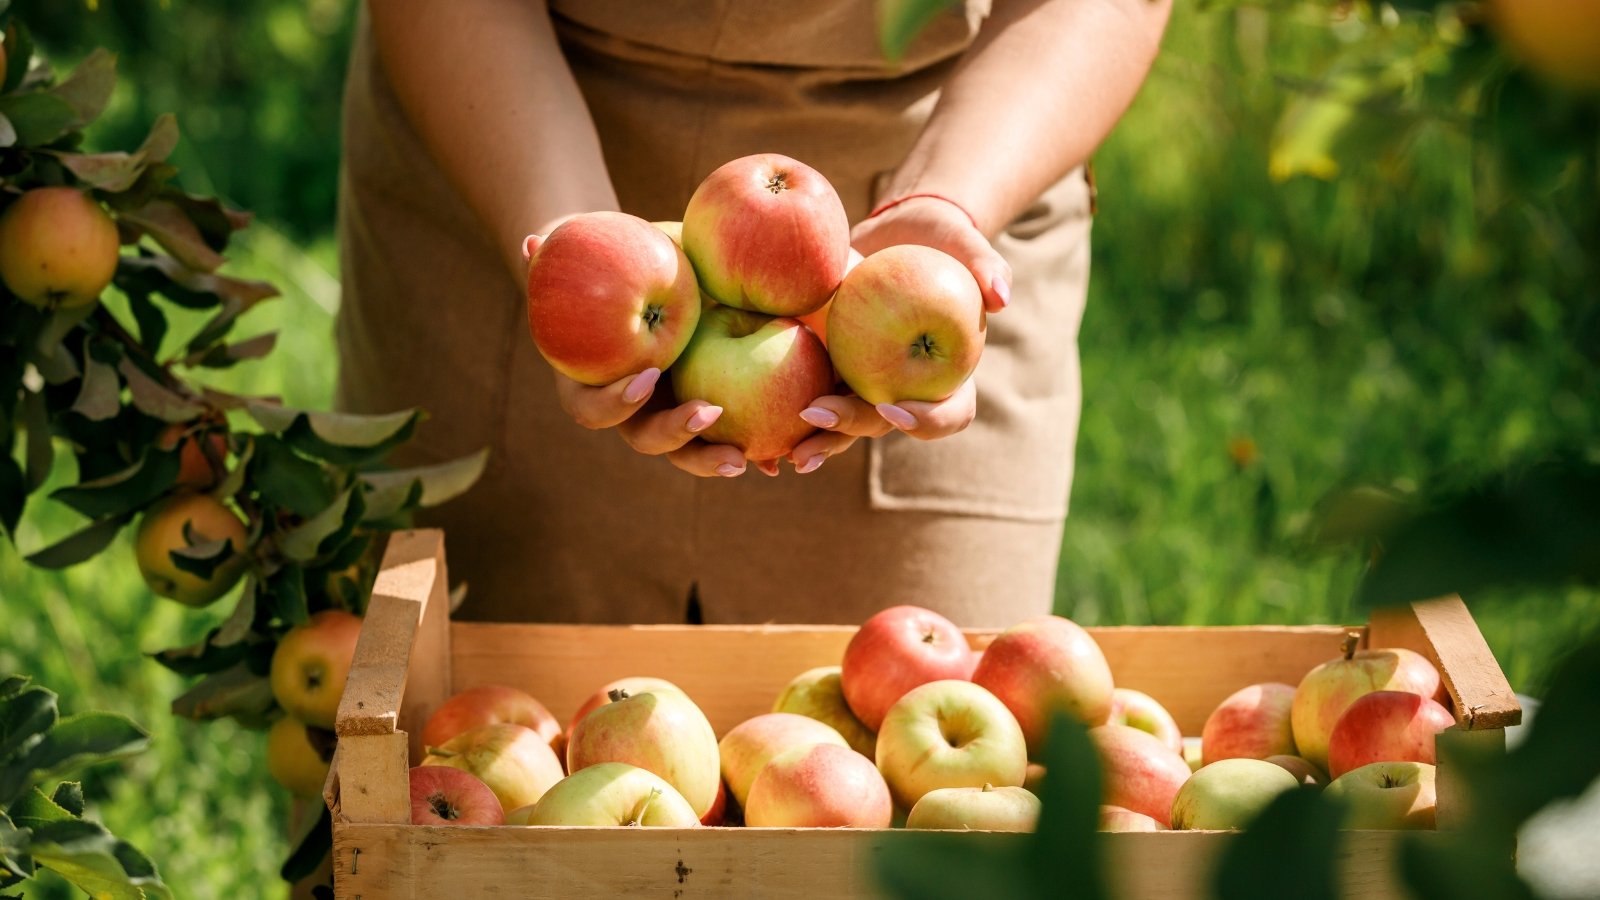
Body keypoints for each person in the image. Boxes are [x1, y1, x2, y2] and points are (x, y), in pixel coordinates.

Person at [335, 0, 1171, 626]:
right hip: (509, 131)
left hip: (963, 158)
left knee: (918, 804)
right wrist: (578, 260)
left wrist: (950, 200)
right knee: (464, 761)